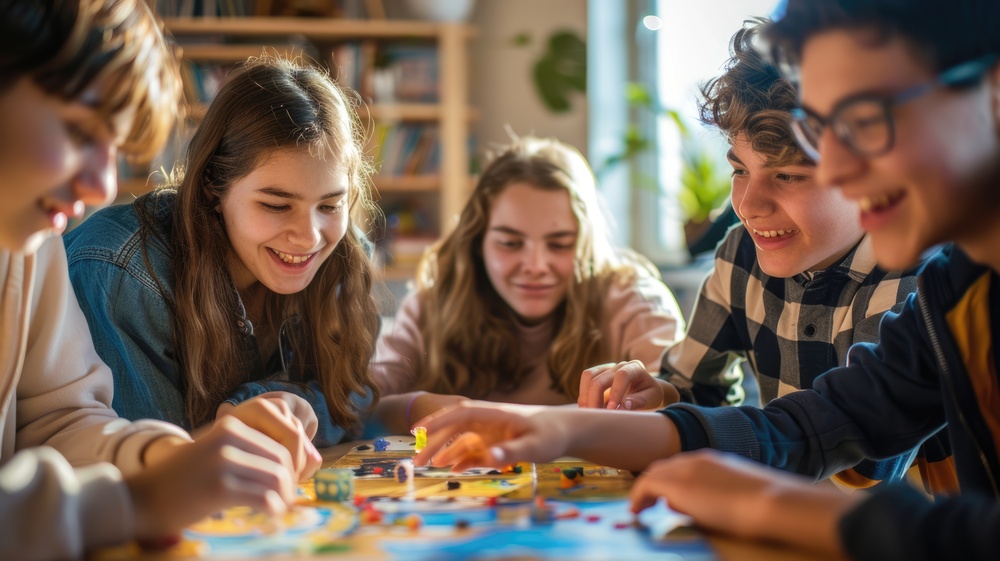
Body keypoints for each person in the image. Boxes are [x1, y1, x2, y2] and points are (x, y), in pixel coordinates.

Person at [412, 0, 1000, 558]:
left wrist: (765, 501)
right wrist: (555, 425)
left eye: (865, 121)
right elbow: (808, 428)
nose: (841, 170)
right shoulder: (954, 295)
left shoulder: (925, 280)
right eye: (828, 131)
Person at [0, 1, 319, 558]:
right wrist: (134, 501)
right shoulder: (117, 264)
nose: (101, 187)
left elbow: (58, 418)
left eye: (114, 146)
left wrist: (167, 459)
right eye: (78, 131)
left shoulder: (30, 242)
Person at [579, 19, 934, 491]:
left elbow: (862, 461)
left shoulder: (916, 277)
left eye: (788, 176)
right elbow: (694, 386)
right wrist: (657, 396)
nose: (747, 207)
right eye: (740, 169)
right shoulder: (741, 254)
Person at [64, 55, 381, 448]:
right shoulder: (122, 273)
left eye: (330, 205)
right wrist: (256, 418)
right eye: (276, 205)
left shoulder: (344, 258)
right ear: (214, 186)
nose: (309, 238)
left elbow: (354, 398)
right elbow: (159, 467)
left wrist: (276, 403)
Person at [369, 135, 684, 432]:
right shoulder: (435, 304)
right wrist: (417, 406)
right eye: (510, 243)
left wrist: (507, 422)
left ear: (587, 244)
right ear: (478, 241)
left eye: (560, 244)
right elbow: (362, 404)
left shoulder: (635, 302)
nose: (535, 266)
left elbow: (679, 408)